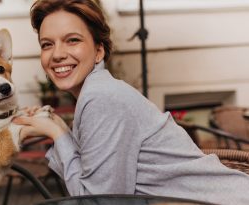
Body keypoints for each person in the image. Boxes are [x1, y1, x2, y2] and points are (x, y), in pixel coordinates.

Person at [13, 0, 249, 204]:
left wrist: (58, 134)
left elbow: (99, 202)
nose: (57, 54)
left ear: (98, 51)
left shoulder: (102, 97)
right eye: (47, 44)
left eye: (72, 40)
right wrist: (60, 128)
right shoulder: (98, 93)